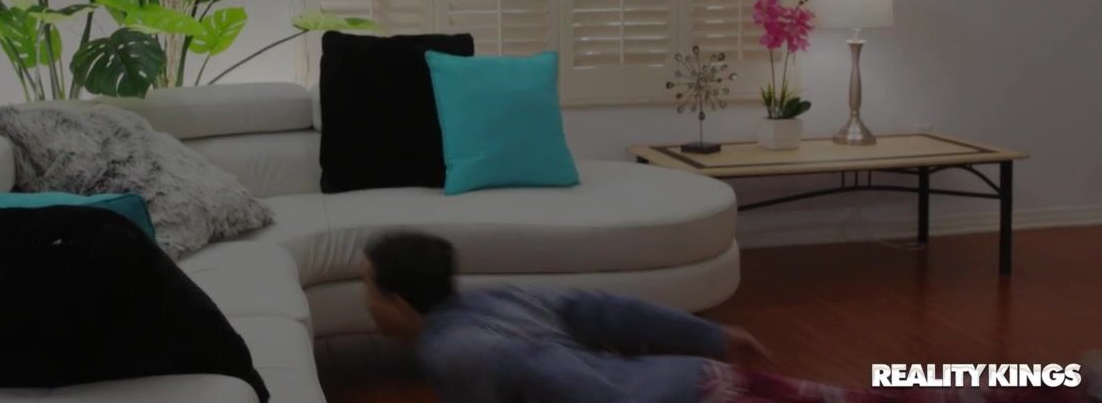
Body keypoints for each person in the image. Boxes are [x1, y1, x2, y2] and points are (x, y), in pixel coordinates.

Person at [361, 231, 1093, 403]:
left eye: (367, 290)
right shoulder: (493, 300)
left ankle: (1068, 382)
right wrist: (712, 334)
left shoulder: (458, 352)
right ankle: (1060, 380)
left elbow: (564, 376)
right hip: (699, 377)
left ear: (397, 303)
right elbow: (605, 311)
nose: (364, 302)